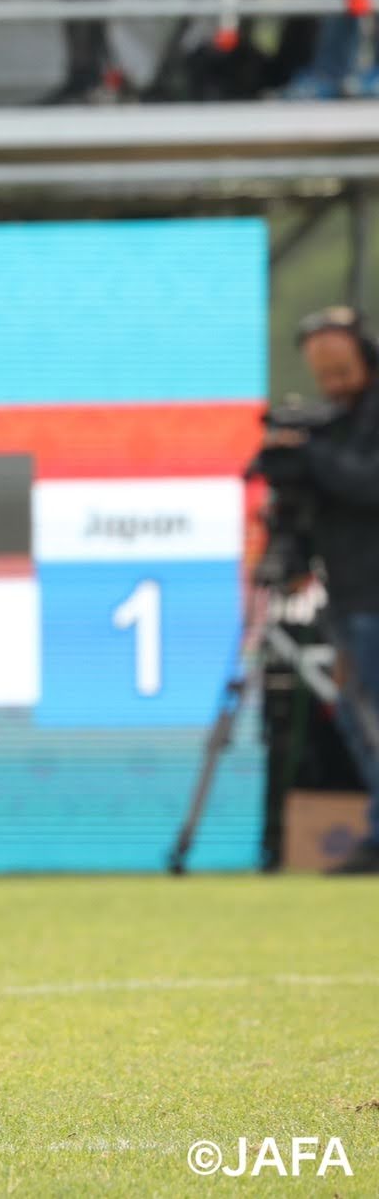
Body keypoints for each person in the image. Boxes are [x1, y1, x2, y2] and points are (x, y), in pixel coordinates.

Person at [258, 306, 379, 874]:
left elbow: (366, 482)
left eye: (340, 366)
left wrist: (312, 455)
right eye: (321, 370)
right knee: (359, 719)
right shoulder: (336, 425)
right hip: (349, 594)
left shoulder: (351, 431)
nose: (330, 380)